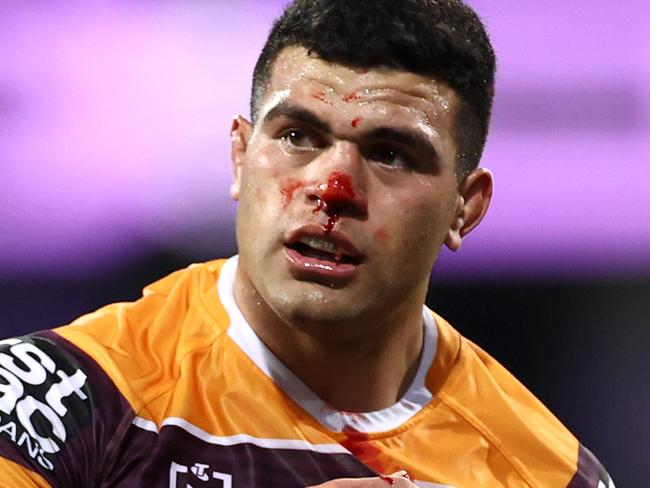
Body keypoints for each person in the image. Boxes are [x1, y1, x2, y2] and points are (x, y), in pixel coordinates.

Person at [0, 1, 614, 487]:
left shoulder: (547, 473)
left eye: (392, 154)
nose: (332, 186)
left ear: (466, 207)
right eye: (298, 136)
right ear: (240, 157)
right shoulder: (59, 399)